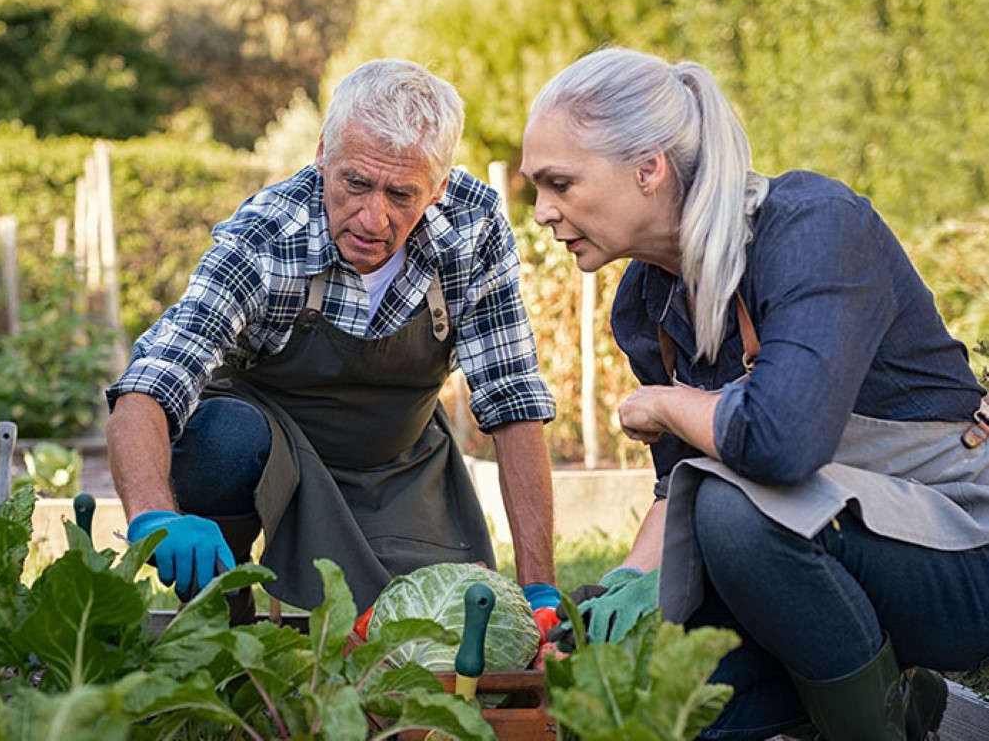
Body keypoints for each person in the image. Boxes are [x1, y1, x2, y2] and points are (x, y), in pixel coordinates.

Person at [521, 46, 989, 740]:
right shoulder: (643, 302)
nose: (540, 212)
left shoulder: (813, 229)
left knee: (734, 513)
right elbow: (678, 484)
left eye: (559, 183)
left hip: (958, 555)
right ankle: (928, 713)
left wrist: (663, 403)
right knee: (663, 708)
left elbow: (780, 440)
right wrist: (621, 592)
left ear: (647, 169)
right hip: (812, 559)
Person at [106, 59, 559, 625]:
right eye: (355, 183)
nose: (373, 218)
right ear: (323, 154)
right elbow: (152, 380)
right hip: (271, 453)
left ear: (439, 187)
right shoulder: (269, 235)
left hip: (399, 463)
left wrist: (541, 590)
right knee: (221, 441)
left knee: (420, 635)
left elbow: (512, 399)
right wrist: (155, 516)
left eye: (401, 194)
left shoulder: (473, 226)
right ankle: (217, 619)